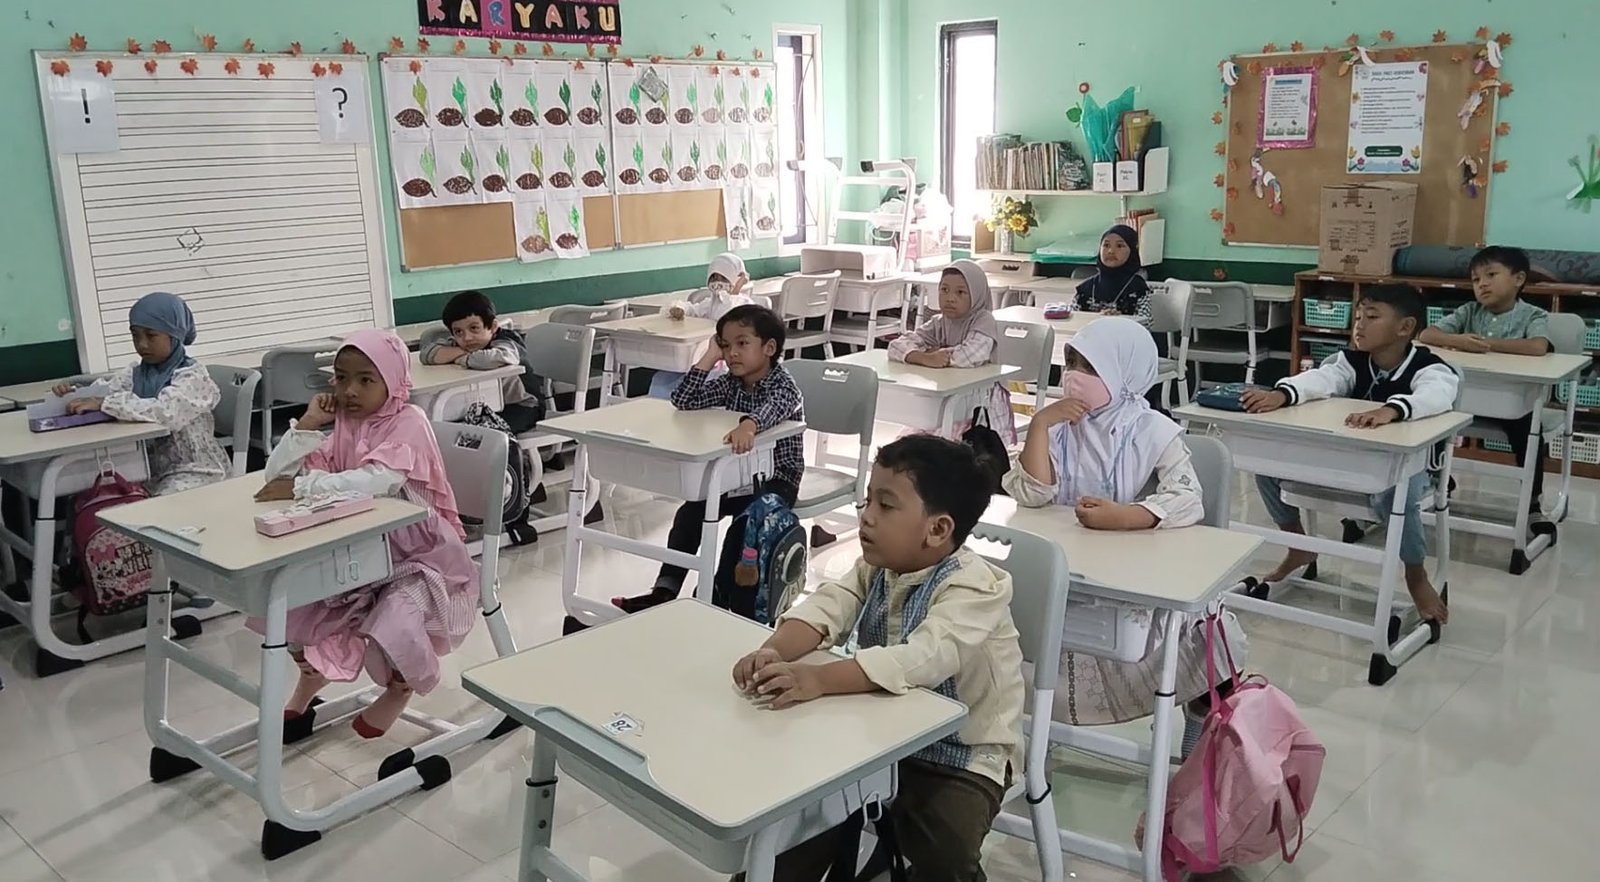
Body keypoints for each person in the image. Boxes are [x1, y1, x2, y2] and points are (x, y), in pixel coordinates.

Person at [731, 435, 1021, 882]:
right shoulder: (877, 567)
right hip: (877, 737)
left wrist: (818, 680)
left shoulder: (975, 588)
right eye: (868, 500)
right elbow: (830, 605)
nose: (866, 516)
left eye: (886, 506)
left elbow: (922, 658)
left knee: (946, 851)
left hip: (960, 754)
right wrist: (772, 652)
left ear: (938, 530)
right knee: (797, 822)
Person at [1003, 317, 1243, 750]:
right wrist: (1039, 425)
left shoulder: (1151, 429)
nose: (1074, 377)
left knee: (1210, 635)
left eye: (1090, 368)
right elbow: (1032, 495)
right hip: (1068, 569)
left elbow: (1188, 499)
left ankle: (1197, 727)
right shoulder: (1059, 425)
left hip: (1133, 578)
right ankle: (1035, 738)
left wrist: (1128, 516)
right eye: (1071, 364)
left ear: (1123, 374)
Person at [254, 329, 480, 738]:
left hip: (420, 554)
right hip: (358, 548)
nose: (350, 391)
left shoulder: (409, 420)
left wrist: (303, 487)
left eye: (365, 380)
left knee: (396, 617)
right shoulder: (343, 423)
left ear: (392, 381)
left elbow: (379, 480)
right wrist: (308, 424)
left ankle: (401, 686)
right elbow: (276, 476)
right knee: (289, 605)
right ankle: (312, 675)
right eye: (341, 379)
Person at [1243, 284, 1460, 625]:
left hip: (1407, 469)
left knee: (1398, 494)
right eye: (1358, 316)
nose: (1359, 324)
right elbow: (1321, 379)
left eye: (1372, 317)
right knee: (1266, 465)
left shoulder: (1430, 367)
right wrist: (1283, 394)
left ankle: (1415, 574)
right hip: (1348, 464)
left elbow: (1438, 395)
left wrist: (1394, 409)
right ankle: (1299, 545)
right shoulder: (1349, 361)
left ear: (1405, 327)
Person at [613, 305, 805, 614]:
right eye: (726, 345)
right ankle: (664, 590)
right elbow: (683, 400)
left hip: (776, 481)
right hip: (736, 477)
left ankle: (716, 600)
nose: (732, 353)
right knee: (691, 512)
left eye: (742, 343)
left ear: (769, 348)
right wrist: (708, 357)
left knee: (742, 527)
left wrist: (749, 424)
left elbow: (775, 408)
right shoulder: (730, 382)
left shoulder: (785, 386)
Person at [1418, 245, 1554, 529]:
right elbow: (1427, 334)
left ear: (1518, 279)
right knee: (1429, 419)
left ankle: (1532, 503)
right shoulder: (1468, 311)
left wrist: (1487, 345)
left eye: (1491, 275)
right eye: (1476, 279)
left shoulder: (1533, 315)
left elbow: (1538, 347)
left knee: (1530, 434)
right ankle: (1438, 478)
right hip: (1467, 399)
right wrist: (1458, 341)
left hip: (1514, 402)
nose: (1482, 284)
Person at [58, 291, 230, 495]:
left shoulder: (192, 376)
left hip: (196, 470)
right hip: (146, 471)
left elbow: (166, 413)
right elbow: (107, 391)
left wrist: (105, 403)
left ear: (174, 335)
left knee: (156, 506)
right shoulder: (136, 373)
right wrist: (73, 395)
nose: (142, 344)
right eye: (135, 336)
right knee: (101, 497)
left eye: (151, 336)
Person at [888, 260, 1017, 443]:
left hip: (980, 404)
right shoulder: (939, 322)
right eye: (944, 290)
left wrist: (938, 353)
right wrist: (924, 357)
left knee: (948, 447)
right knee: (907, 444)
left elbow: (971, 355)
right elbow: (896, 346)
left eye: (960, 292)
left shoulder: (983, 319)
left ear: (976, 295)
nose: (950, 298)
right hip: (945, 397)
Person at [420, 290, 543, 435]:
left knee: (480, 435)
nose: (467, 337)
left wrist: (464, 359)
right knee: (454, 430)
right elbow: (427, 354)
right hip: (487, 407)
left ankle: (510, 450)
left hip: (523, 406)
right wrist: (463, 352)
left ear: (492, 327)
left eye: (474, 328)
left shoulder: (506, 341)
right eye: (458, 332)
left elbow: (500, 357)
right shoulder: (465, 344)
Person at [650, 252, 756, 399]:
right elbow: (694, 309)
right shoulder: (711, 302)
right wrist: (679, 308)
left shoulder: (744, 304)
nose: (717, 282)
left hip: (726, 364)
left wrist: (735, 292)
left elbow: (728, 320)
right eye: (714, 277)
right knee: (661, 380)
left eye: (723, 278)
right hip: (704, 358)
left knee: (683, 384)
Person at [1073, 225, 1151, 325]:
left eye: (1119, 246)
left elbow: (1146, 323)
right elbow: (1073, 322)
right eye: (1106, 245)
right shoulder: (1085, 289)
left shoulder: (1138, 288)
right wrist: (1098, 319)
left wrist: (1118, 321)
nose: (1111, 251)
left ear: (1132, 250)